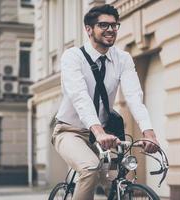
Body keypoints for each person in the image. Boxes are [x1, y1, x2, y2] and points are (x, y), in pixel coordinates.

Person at [52, 4, 160, 200]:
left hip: (103, 136)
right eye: (103, 25)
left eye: (114, 25)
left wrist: (149, 133)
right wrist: (98, 131)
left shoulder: (123, 59)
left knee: (117, 179)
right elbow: (80, 96)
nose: (110, 29)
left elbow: (135, 96)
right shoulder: (73, 57)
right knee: (90, 167)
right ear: (89, 29)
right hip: (69, 131)